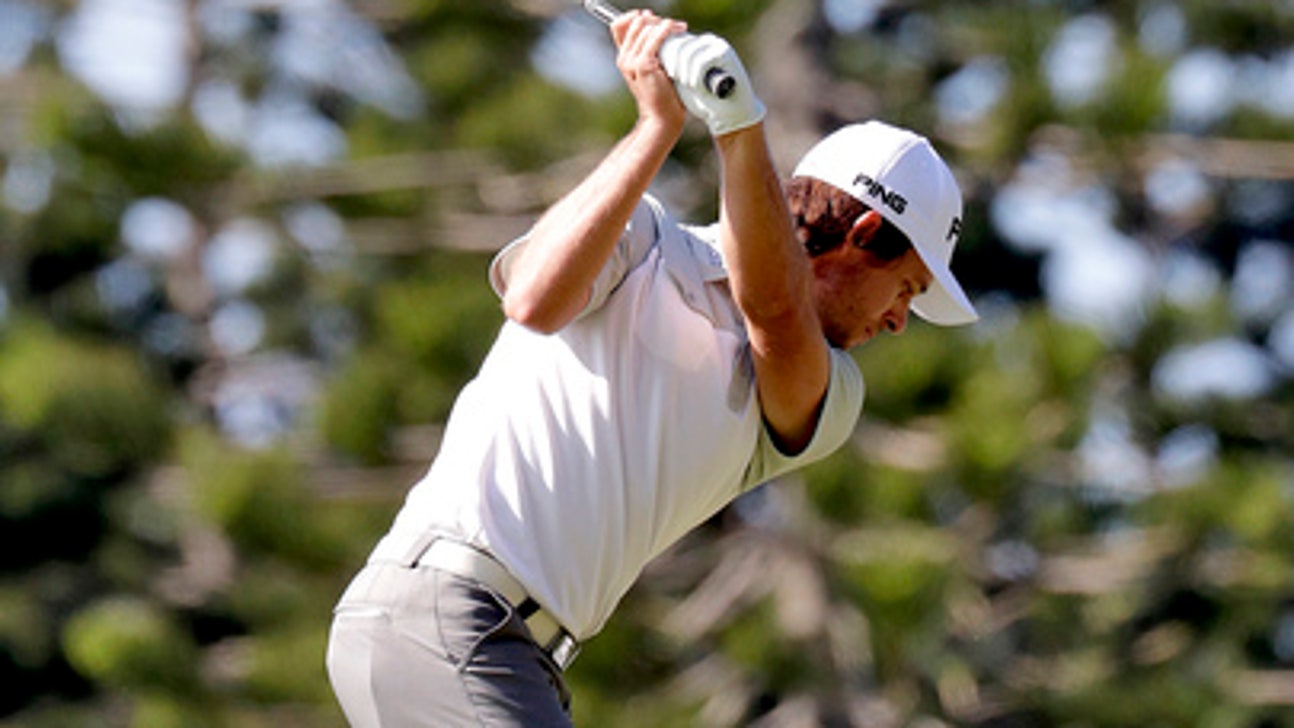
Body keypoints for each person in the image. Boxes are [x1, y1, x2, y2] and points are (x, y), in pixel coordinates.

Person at [326, 9, 977, 727]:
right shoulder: (646, 238)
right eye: (908, 290)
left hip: (502, 649)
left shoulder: (826, 388)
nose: (896, 320)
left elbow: (774, 311)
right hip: (449, 614)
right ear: (862, 235)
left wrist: (738, 121)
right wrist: (656, 129)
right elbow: (534, 300)